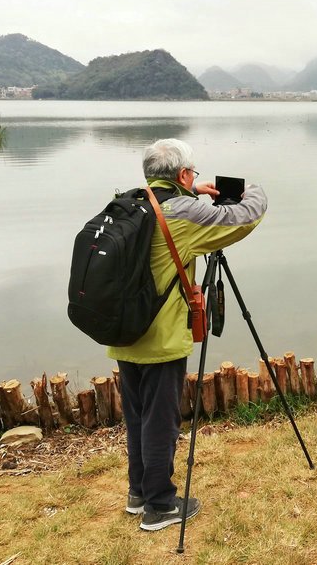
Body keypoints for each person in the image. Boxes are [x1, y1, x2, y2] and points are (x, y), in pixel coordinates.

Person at [108, 138, 267, 532]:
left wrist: (190, 189)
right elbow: (244, 218)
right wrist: (253, 189)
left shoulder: (130, 203)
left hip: (123, 330)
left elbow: (169, 201)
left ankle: (138, 493)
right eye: (192, 173)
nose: (195, 178)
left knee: (138, 416)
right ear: (182, 174)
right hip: (160, 338)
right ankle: (160, 506)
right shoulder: (185, 215)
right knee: (161, 422)